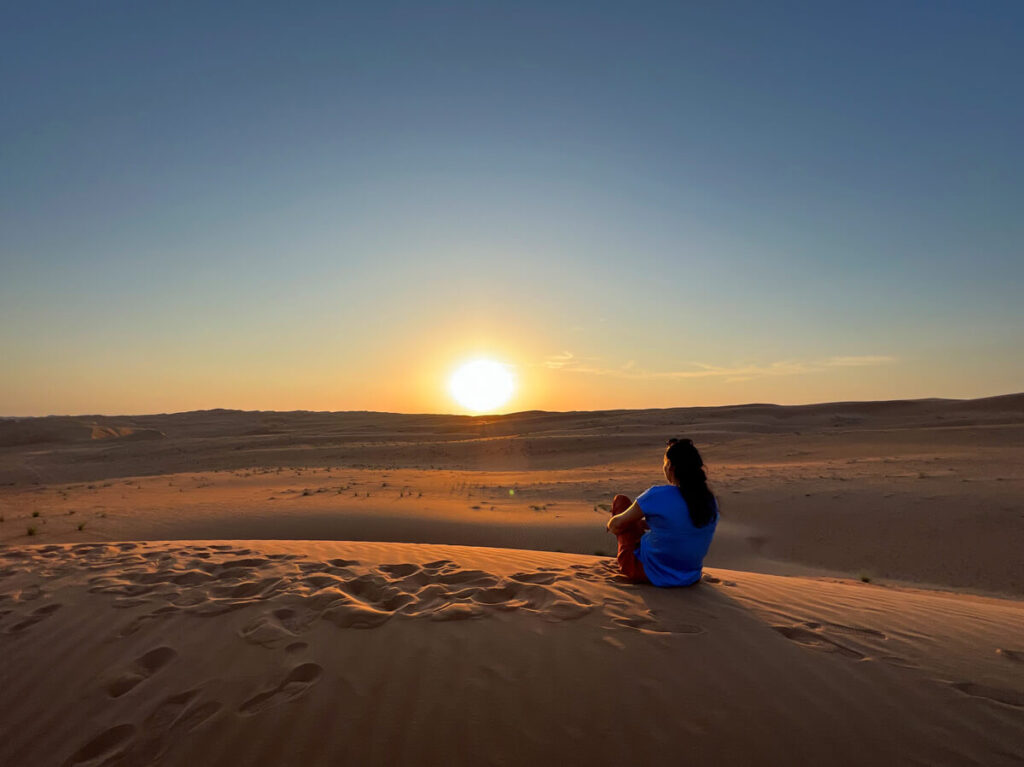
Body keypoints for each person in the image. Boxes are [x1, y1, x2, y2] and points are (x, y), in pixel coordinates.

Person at [605, 438, 718, 586]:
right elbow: (680, 526)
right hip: (690, 576)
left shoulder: (657, 495)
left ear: (670, 466)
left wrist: (618, 524)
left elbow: (616, 525)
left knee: (621, 501)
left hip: (645, 572)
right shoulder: (708, 501)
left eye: (664, 463)